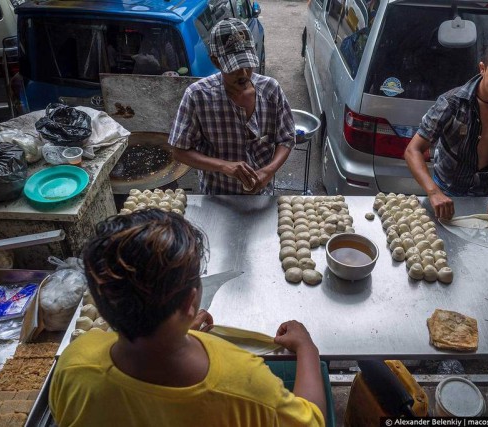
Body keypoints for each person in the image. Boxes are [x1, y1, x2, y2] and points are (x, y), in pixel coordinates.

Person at [49, 209, 326, 426]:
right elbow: (312, 419)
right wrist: (307, 348)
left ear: (99, 302)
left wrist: (180, 332)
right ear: (191, 301)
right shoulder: (246, 385)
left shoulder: (75, 365)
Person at [405, 32, 488, 220]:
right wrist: (433, 193)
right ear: (482, 68)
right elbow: (413, 150)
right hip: (443, 192)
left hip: (486, 198)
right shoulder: (452, 103)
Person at [168, 18, 295, 195]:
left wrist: (268, 171)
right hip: (217, 196)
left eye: (247, 64)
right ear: (216, 62)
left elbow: (286, 138)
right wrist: (224, 166)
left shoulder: (271, 90)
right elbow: (179, 151)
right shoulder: (197, 96)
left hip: (262, 196)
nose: (243, 74)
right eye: (234, 67)